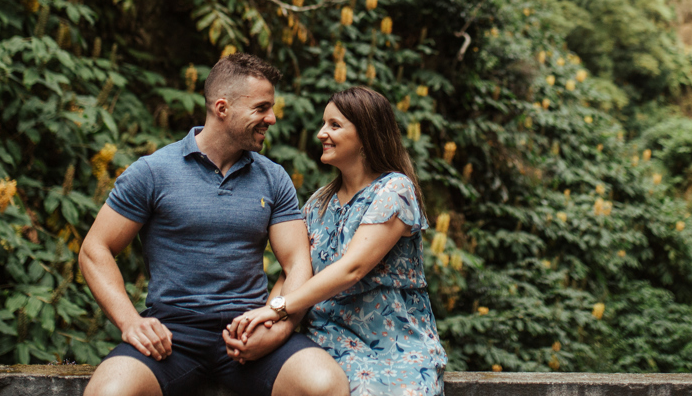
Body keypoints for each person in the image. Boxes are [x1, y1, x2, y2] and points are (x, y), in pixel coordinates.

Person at [79, 53, 349, 396]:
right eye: (262, 108)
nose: (273, 118)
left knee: (327, 385)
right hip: (172, 337)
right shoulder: (153, 172)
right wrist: (130, 322)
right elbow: (94, 249)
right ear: (222, 109)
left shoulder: (273, 177)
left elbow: (297, 262)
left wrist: (277, 327)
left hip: (248, 331)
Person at [228, 86, 447, 396]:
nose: (321, 133)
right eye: (323, 124)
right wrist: (266, 327)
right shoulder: (318, 203)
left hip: (391, 347)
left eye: (334, 125)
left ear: (366, 134)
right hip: (325, 342)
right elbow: (293, 271)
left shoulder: (395, 190)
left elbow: (352, 268)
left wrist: (277, 308)